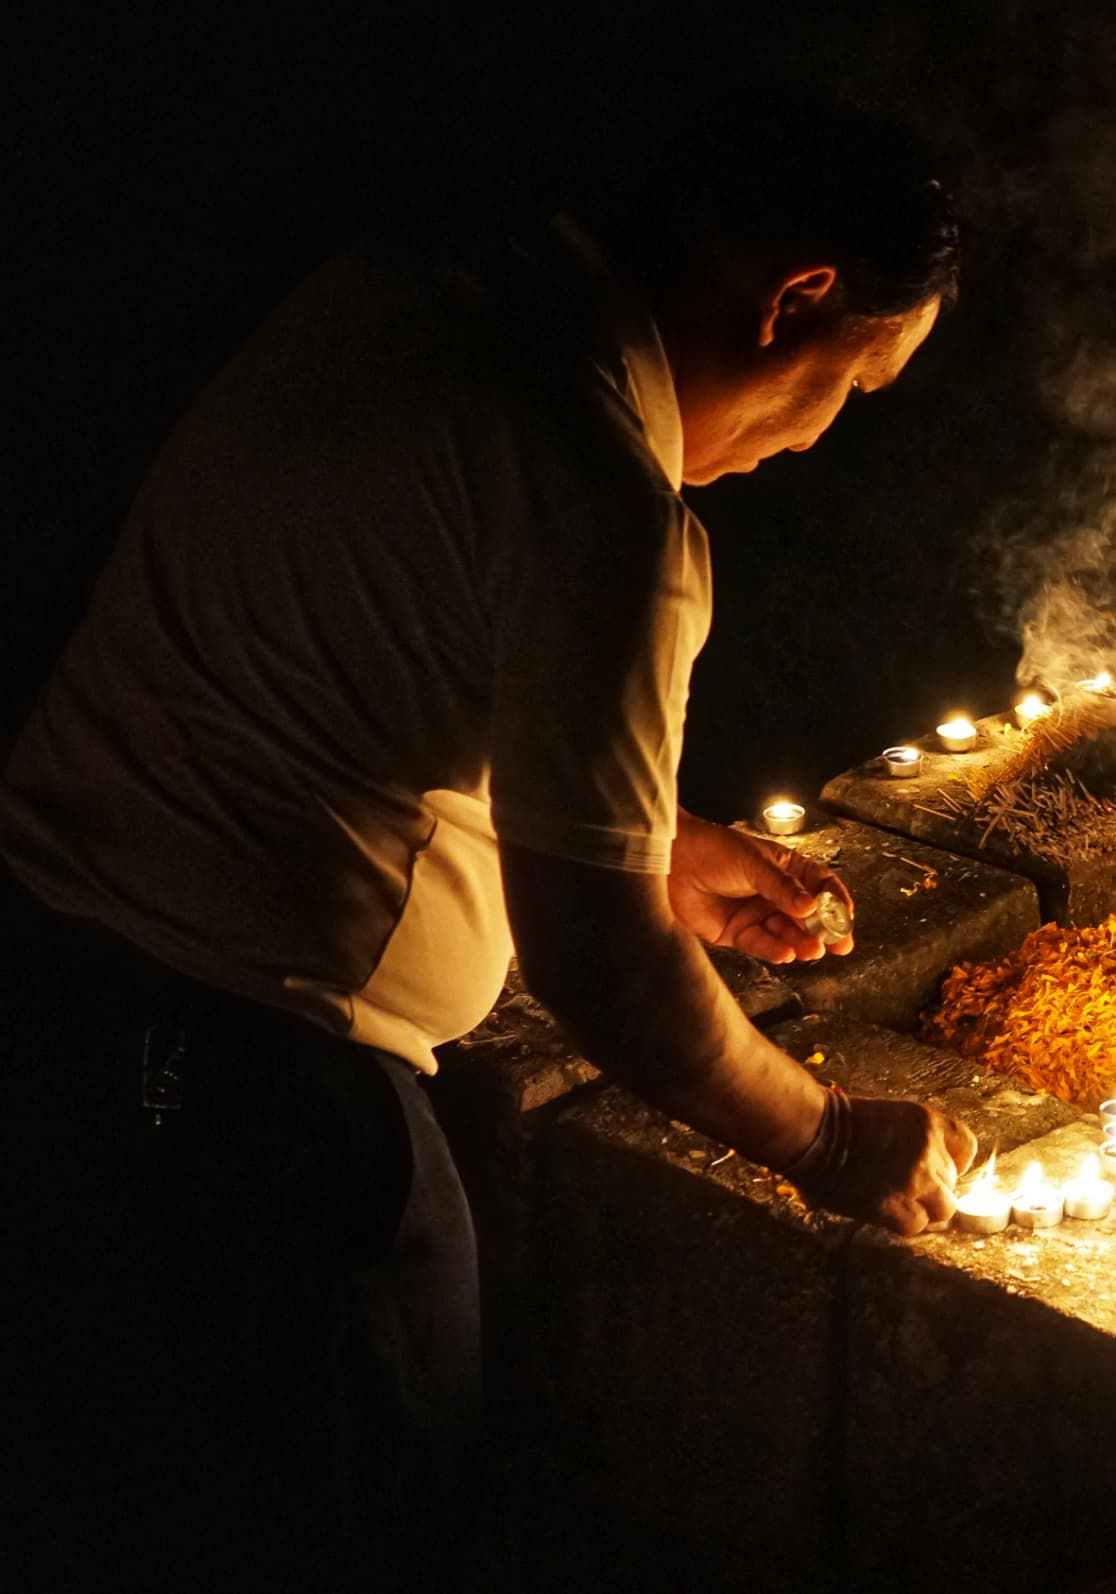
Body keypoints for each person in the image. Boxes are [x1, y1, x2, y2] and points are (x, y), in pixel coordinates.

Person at [0, 86, 977, 1586]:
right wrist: (834, 1136)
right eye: (857, 383)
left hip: (56, 1006)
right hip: (259, 1120)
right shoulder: (604, 502)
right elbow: (598, 963)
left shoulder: (406, 294)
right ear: (797, 298)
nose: (815, 440)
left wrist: (661, 840)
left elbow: (357, 663)